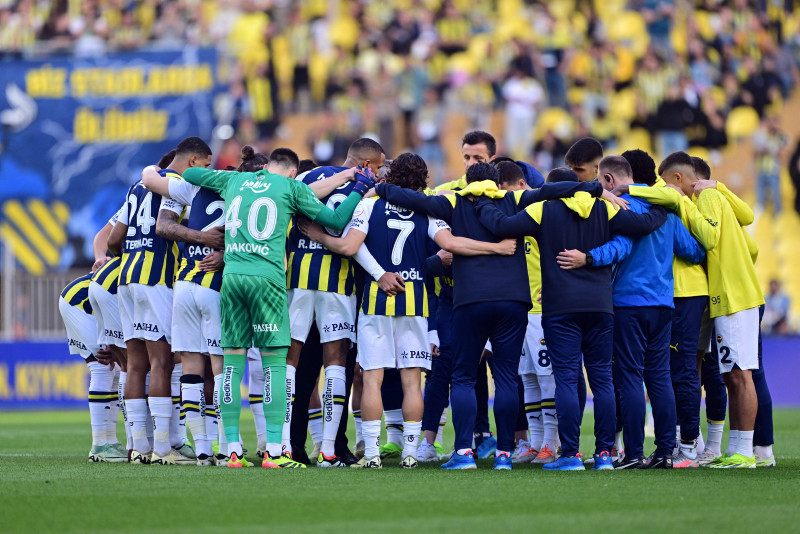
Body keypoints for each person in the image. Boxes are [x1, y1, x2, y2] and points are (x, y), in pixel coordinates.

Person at [376, 162, 613, 470]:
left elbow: (411, 199)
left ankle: (464, 453)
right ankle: (504, 454)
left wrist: (380, 187)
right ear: (497, 182)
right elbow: (551, 190)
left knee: (462, 377)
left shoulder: (454, 200)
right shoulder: (512, 199)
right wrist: (592, 187)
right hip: (514, 301)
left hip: (471, 299)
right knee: (505, 378)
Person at [300, 153, 517, 468]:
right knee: (412, 381)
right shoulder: (427, 212)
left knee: (372, 378)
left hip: (376, 300)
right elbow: (453, 245)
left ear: (391, 177)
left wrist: (319, 236)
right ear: (423, 181)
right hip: (415, 301)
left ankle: (372, 454)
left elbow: (349, 247)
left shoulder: (369, 204)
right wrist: (495, 248)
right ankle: (412, 454)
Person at [180, 147, 376, 468]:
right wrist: (356, 188)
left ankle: (231, 450)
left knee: (230, 366)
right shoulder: (291, 187)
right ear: (290, 171)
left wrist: (230, 177)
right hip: (267, 281)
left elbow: (189, 174)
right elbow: (337, 220)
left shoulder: (235, 181)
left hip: (232, 278)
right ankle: (274, 451)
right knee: (274, 364)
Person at [473, 167, 668, 471]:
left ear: (550, 188)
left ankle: (571, 455)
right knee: (602, 379)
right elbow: (643, 225)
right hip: (601, 305)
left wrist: (481, 201)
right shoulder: (604, 206)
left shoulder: (543, 208)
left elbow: (500, 227)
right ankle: (604, 454)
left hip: (560, 306)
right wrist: (664, 204)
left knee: (566, 378)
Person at [558, 155, 706, 469]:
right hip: (664, 304)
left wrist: (588, 258)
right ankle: (666, 452)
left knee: (629, 379)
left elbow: (620, 247)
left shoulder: (620, 206)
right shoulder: (665, 209)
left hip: (627, 304)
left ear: (609, 181)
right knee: (660, 378)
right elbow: (694, 251)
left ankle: (634, 453)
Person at [627, 152, 766, 468]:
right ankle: (728, 448)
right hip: (724, 294)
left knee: (734, 374)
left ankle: (734, 451)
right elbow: (751, 237)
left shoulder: (704, 200)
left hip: (729, 296)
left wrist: (683, 202)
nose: (665, 189)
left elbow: (707, 237)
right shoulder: (716, 197)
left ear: (677, 179)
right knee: (727, 373)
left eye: (666, 183)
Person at [107, 138, 213, 465]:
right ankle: (164, 448)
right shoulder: (179, 185)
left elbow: (114, 239)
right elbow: (166, 228)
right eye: (206, 167)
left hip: (127, 279)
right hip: (157, 280)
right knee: (162, 363)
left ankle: (138, 446)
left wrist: (131, 256)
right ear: (194, 161)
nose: (206, 174)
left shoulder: (137, 187)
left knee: (136, 364)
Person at [284, 138, 385, 467]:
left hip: (297, 279)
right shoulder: (365, 191)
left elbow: (294, 203)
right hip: (337, 284)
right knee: (337, 362)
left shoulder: (304, 177)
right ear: (367, 165)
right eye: (380, 166)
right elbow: (347, 235)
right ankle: (330, 448)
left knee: (292, 362)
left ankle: (287, 445)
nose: (381, 172)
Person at [491, 161, 559, 465]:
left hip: (544, 309)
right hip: (522, 308)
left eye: (505, 193)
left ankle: (551, 444)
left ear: (519, 186)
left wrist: (556, 285)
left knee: (547, 379)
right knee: (528, 378)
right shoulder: (514, 218)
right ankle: (533, 441)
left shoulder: (543, 210)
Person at [60, 271, 126, 463]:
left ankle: (110, 441)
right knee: (103, 366)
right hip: (79, 303)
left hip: (93, 305)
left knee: (116, 370)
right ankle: (98, 446)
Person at [753, 115, 788, 214]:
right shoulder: (763, 136)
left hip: (773, 171)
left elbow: (783, 154)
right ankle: (761, 219)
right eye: (771, 123)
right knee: (760, 199)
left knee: (776, 198)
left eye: (775, 123)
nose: (772, 126)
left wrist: (771, 150)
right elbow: (755, 153)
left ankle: (778, 218)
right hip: (762, 171)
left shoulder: (781, 137)